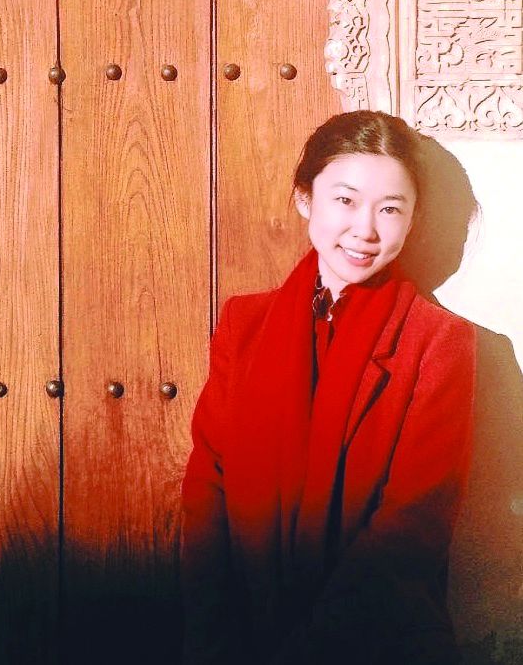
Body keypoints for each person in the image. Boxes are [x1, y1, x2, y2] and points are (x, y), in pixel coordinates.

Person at [181, 111, 476, 665]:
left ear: (413, 219)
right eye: (345, 200)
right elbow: (207, 487)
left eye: (390, 209)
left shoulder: (439, 342)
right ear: (305, 199)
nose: (365, 230)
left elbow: (412, 527)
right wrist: (214, 636)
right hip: (241, 639)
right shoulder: (245, 324)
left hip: (375, 643)